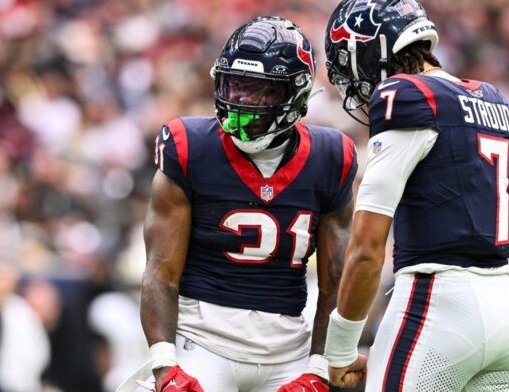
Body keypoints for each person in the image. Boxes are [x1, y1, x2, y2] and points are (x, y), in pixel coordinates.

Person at [120, 16, 357, 392]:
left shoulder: (332, 157)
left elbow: (335, 282)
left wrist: (318, 368)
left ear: (295, 95)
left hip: (289, 349)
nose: (243, 101)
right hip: (200, 342)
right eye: (234, 86)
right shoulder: (190, 146)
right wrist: (166, 367)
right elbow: (160, 271)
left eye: (262, 91)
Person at [323, 1, 509, 390]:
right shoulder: (490, 97)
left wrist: (341, 347)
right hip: (506, 308)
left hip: (438, 307)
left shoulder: (407, 95)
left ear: (375, 50)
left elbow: (367, 247)